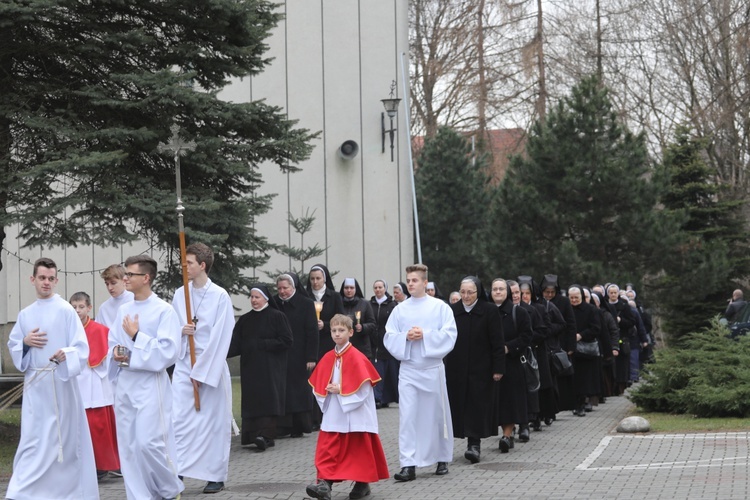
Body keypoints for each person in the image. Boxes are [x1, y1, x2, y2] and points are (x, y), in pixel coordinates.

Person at [6, 258, 99, 500]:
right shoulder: (25, 314)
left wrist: (65, 354)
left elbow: (81, 348)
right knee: (32, 441)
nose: (46, 282)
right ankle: (23, 492)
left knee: (62, 442)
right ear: (33, 280)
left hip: (61, 386)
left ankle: (65, 493)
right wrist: (24, 344)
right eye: (42, 278)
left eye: (50, 278)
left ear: (56, 280)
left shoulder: (66, 311)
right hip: (36, 388)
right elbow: (15, 346)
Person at [108, 255, 183, 500]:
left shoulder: (164, 310)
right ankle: (139, 495)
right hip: (126, 383)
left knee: (148, 443)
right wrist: (116, 353)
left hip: (151, 385)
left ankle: (169, 488)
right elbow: (113, 344)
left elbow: (168, 352)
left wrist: (138, 336)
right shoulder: (123, 310)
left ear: (146, 278)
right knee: (129, 447)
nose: (125, 278)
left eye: (130, 274)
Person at [171, 243, 237, 494]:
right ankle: (177, 470)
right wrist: (181, 331)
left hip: (210, 366)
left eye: (188, 263)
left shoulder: (220, 296)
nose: (184, 267)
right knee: (179, 419)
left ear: (202, 265)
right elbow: (171, 326)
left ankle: (214, 475)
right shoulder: (180, 294)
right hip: (184, 362)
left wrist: (201, 373)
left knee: (212, 423)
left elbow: (222, 336)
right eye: (183, 263)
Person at [384, 264, 457, 481]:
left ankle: (442, 458)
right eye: (408, 280)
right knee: (407, 418)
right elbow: (389, 336)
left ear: (425, 283)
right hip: (409, 370)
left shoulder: (440, 307)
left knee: (437, 415)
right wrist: (405, 337)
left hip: (432, 369)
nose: (410, 283)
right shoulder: (400, 309)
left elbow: (450, 334)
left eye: (415, 280)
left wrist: (424, 335)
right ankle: (408, 464)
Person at [305, 315, 390, 500]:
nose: (337, 334)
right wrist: (326, 391)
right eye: (334, 330)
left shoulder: (358, 358)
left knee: (358, 449)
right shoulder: (328, 357)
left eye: (341, 330)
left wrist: (341, 389)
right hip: (334, 412)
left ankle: (361, 484)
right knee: (328, 447)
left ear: (351, 332)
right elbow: (318, 385)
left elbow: (365, 388)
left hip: (356, 413)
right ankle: (324, 484)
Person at [445, 277, 504, 464]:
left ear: (478, 292)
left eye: (470, 292)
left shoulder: (489, 311)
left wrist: (498, 368)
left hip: (482, 368)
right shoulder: (452, 311)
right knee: (459, 404)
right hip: (457, 368)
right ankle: (451, 444)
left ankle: (474, 445)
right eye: (463, 292)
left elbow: (497, 342)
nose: (466, 296)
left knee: (476, 406)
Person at [228, 285, 293, 450]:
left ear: (266, 298)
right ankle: (251, 435)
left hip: (270, 368)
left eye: (257, 297)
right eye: (251, 297)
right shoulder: (245, 319)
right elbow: (236, 344)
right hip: (250, 367)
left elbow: (287, 340)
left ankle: (266, 436)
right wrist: (220, 353)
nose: (253, 300)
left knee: (267, 400)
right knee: (252, 399)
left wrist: (264, 344)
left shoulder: (277, 316)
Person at [70, 291, 121, 481]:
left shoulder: (100, 330)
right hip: (77, 381)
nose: (77, 311)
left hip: (95, 384)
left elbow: (105, 356)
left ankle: (103, 466)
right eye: (74, 307)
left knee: (99, 425)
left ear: (89, 308)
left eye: (81, 307)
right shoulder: (69, 329)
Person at [490, 278, 532, 452]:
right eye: (495, 289)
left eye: (501, 289)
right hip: (491, 363)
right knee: (496, 402)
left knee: (510, 401)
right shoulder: (487, 311)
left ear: (507, 292)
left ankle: (507, 435)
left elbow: (527, 336)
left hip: (512, 363)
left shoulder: (519, 312)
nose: (498, 292)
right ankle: (506, 431)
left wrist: (509, 347)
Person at [275, 272, 318, 438]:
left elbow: (312, 332)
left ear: (293, 287)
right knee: (283, 390)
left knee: (298, 390)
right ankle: (283, 425)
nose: (282, 291)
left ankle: (299, 426)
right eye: (279, 288)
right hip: (281, 354)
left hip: (300, 353)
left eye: (285, 288)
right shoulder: (275, 302)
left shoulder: (306, 304)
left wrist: (311, 357)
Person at [568, 285, 602, 416]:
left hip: (585, 350)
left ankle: (582, 404)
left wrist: (581, 335)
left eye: (576, 297)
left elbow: (596, 328)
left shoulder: (591, 310)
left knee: (584, 380)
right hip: (570, 350)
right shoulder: (567, 309)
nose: (574, 300)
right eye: (571, 298)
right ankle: (574, 404)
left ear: (582, 297)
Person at [369, 279, 399, 409]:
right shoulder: (370, 304)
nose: (378, 290)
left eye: (380, 287)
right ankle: (377, 398)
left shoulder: (392, 305)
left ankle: (388, 398)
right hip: (375, 344)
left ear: (385, 289)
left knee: (390, 373)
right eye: (376, 287)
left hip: (388, 343)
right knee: (378, 371)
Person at [306, 264, 345, 360]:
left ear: (324, 279)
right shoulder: (305, 296)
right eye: (312, 279)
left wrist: (325, 325)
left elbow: (341, 319)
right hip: (309, 344)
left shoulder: (335, 296)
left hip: (329, 341)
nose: (315, 282)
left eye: (318, 278)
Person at [339, 278, 377, 360]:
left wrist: (363, 327)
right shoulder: (338, 303)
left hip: (361, 347)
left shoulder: (365, 303)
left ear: (356, 289)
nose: (349, 290)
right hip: (342, 345)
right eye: (346, 288)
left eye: (352, 288)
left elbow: (373, 324)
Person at [96, 263, 134, 329]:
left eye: (113, 283)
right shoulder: (104, 308)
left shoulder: (135, 300)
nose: (110, 288)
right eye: (107, 284)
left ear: (124, 281)